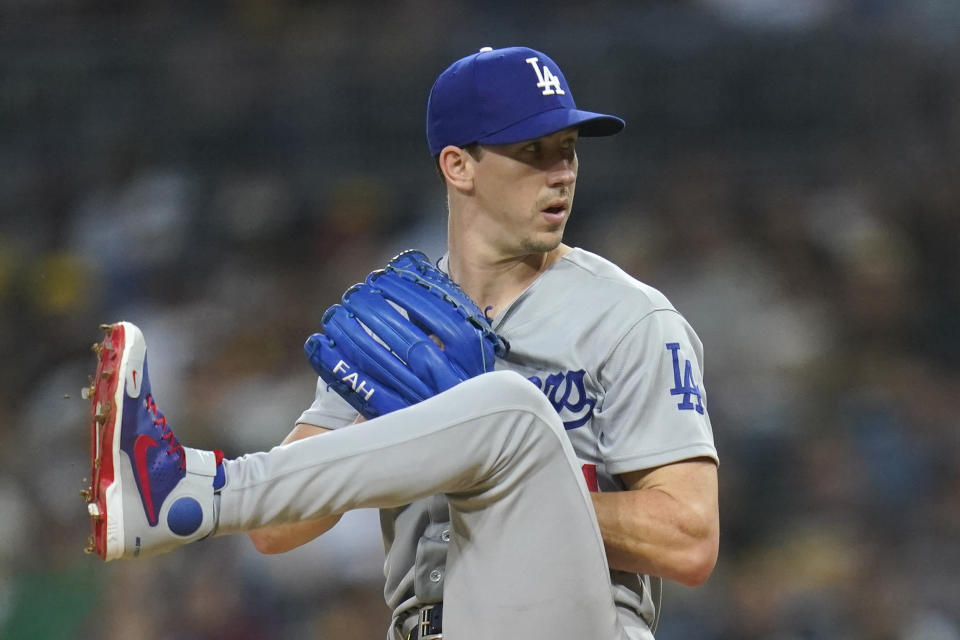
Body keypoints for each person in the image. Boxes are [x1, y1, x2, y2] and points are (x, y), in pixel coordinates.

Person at [84, 46, 719, 640]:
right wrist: (409, 436)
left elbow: (689, 542)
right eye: (534, 151)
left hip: (576, 620)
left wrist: (515, 489)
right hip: (428, 625)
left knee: (508, 413)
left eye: (569, 149)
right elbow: (277, 528)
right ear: (458, 165)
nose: (561, 174)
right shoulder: (402, 325)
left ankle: (187, 490)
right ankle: (184, 495)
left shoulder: (628, 318)